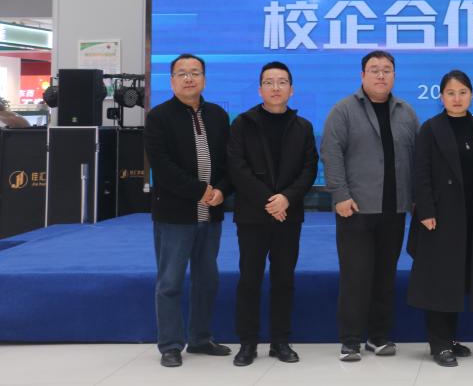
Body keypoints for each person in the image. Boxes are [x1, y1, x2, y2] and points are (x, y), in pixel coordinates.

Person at [321, 50, 419, 362]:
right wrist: (340, 194)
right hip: (356, 209)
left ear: (394, 76)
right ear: (362, 75)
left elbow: (417, 159)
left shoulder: (406, 112)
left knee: (385, 276)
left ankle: (379, 337)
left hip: (395, 209)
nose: (380, 75)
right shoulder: (344, 110)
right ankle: (350, 340)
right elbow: (331, 153)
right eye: (374, 69)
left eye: (387, 70)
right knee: (356, 276)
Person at [145, 53, 233, 368]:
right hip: (175, 214)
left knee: (206, 280)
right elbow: (162, 166)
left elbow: (229, 161)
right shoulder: (159, 117)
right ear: (171, 81)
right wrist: (200, 191)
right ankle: (170, 345)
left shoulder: (218, 115)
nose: (188, 78)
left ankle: (200, 338)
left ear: (204, 79)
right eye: (181, 73)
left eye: (195, 72)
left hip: (211, 214)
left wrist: (222, 189)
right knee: (170, 282)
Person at [226, 61, 317, 367]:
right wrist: (270, 201)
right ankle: (247, 343)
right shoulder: (242, 124)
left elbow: (309, 169)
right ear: (259, 89)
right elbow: (237, 167)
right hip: (252, 215)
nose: (275, 88)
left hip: (288, 215)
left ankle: (280, 341)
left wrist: (286, 199)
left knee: (283, 280)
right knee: (249, 280)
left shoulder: (303, 127)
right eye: (269, 82)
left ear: (291, 89)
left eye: (281, 82)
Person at [407, 70, 473, 367]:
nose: (457, 98)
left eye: (463, 92)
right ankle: (439, 343)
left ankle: (450, 338)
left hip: (472, 215)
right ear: (441, 97)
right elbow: (420, 172)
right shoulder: (431, 128)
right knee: (439, 279)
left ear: (472, 95)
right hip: (440, 216)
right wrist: (426, 211)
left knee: (459, 276)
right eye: (451, 93)